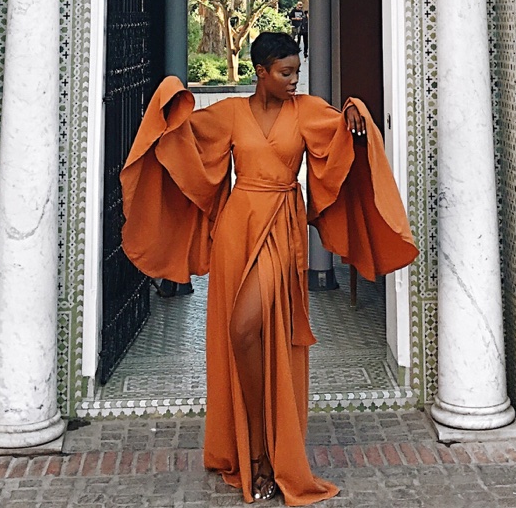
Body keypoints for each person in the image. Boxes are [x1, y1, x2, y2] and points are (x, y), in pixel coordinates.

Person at [120, 32, 417, 505]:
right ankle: (252, 448)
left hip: (281, 224)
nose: (294, 79)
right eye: (285, 72)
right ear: (260, 72)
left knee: (245, 328)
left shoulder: (306, 111)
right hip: (237, 228)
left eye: (296, 71)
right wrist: (169, 94)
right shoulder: (231, 113)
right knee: (241, 334)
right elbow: (184, 139)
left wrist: (355, 110)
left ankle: (264, 453)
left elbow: (342, 134)